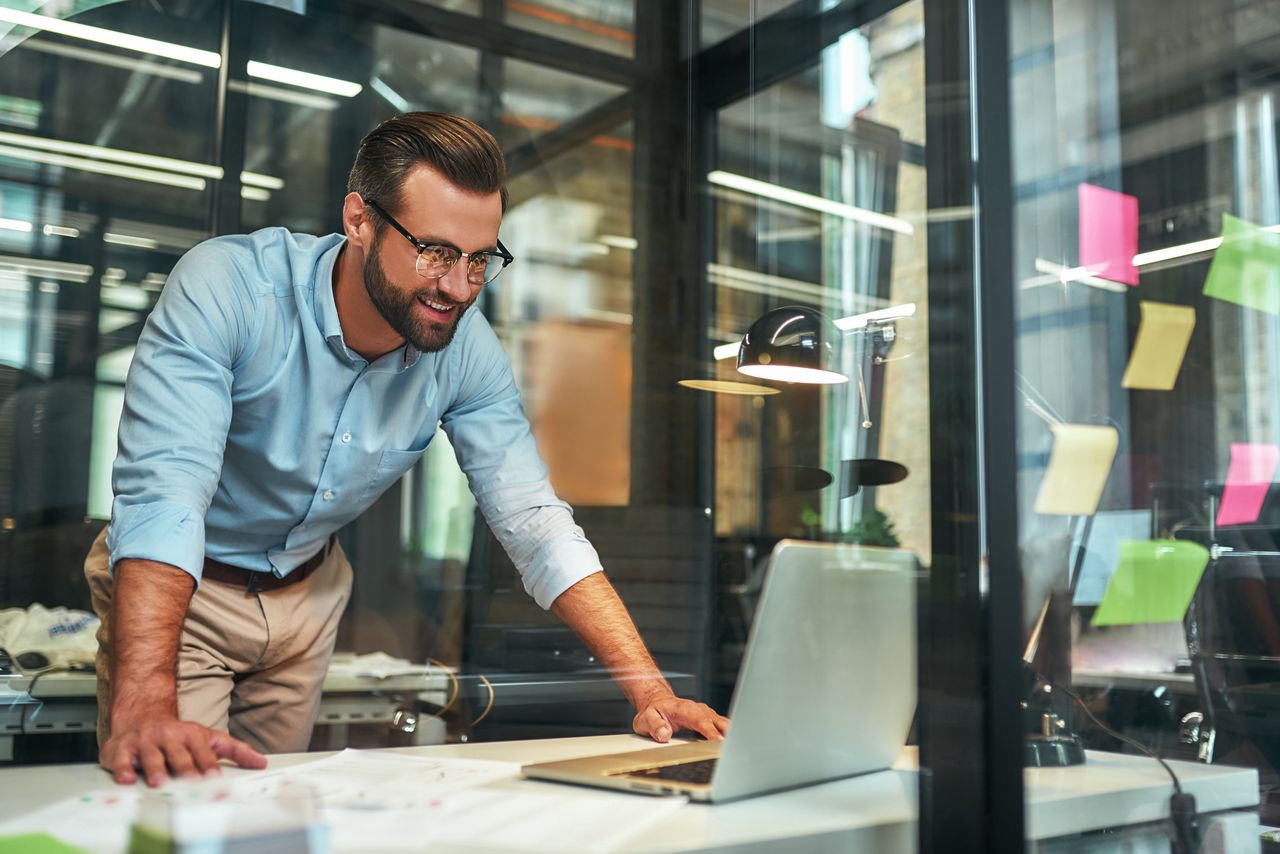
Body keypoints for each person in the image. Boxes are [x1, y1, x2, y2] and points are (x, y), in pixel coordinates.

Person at [84, 112, 728, 787]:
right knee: (175, 804)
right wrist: (145, 701)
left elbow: (535, 524)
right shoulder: (229, 287)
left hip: (308, 594)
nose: (458, 287)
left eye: (481, 259)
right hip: (186, 588)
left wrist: (650, 693)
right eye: (436, 252)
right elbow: (166, 494)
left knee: (269, 819)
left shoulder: (468, 352)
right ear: (359, 221)